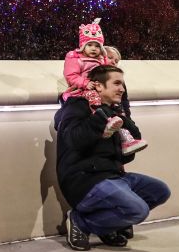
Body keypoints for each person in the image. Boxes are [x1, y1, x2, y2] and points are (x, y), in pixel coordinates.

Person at [55, 65, 171, 251]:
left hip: (112, 175)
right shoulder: (77, 106)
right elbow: (73, 140)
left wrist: (123, 121)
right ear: (98, 86)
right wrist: (101, 118)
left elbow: (125, 155)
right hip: (84, 179)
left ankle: (108, 225)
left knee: (160, 191)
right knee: (138, 210)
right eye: (117, 83)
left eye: (123, 84)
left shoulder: (115, 111)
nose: (122, 89)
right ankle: (81, 222)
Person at [61, 19, 146, 154]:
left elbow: (126, 157)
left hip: (112, 166)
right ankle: (107, 122)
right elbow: (71, 75)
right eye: (90, 45)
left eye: (96, 46)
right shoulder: (77, 61)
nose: (94, 49)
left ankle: (126, 139)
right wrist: (85, 83)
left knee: (118, 116)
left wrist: (124, 118)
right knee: (99, 104)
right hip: (85, 92)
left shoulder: (104, 66)